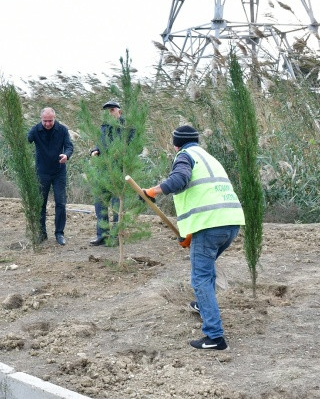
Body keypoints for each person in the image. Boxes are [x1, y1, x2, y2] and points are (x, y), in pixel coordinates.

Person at [142, 125, 245, 351]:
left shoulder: (184, 156)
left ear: (176, 144)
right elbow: (204, 194)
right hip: (231, 222)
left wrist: (152, 191)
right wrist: (189, 233)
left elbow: (179, 180)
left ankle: (215, 337)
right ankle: (203, 305)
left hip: (210, 225)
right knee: (206, 270)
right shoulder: (208, 157)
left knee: (200, 277)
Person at [89, 100, 134, 246]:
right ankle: (102, 234)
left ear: (119, 111)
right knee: (100, 202)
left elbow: (133, 146)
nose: (110, 113)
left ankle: (116, 236)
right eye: (107, 111)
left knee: (116, 203)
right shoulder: (104, 127)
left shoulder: (128, 126)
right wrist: (95, 150)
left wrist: (120, 155)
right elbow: (100, 143)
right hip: (103, 169)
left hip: (119, 170)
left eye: (112, 110)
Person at [27, 107, 74, 245]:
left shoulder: (62, 130)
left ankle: (59, 233)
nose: (47, 124)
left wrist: (67, 155)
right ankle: (42, 233)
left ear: (54, 118)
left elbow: (69, 146)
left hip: (59, 171)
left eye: (50, 121)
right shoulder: (35, 130)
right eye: (45, 121)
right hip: (42, 172)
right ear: (41, 119)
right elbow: (25, 141)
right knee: (41, 204)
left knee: (60, 203)